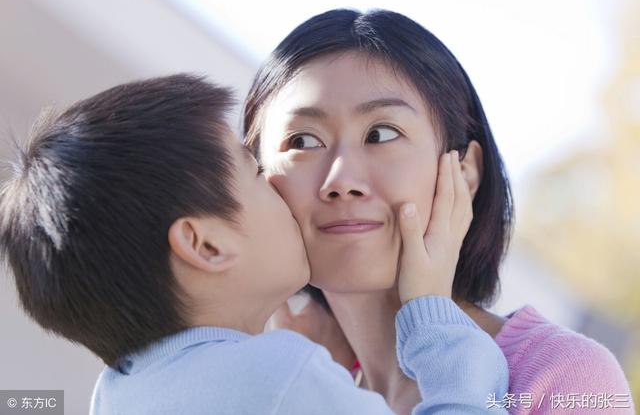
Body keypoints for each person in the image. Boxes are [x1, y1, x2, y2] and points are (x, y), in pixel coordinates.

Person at [0, 74, 510, 414]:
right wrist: (432, 315)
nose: (275, 182)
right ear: (206, 245)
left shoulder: (116, 396)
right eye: (251, 170)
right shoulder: (279, 378)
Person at [243, 9, 634, 414]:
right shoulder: (292, 394)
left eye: (381, 134)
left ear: (465, 172)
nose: (341, 180)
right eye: (303, 141)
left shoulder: (564, 376)